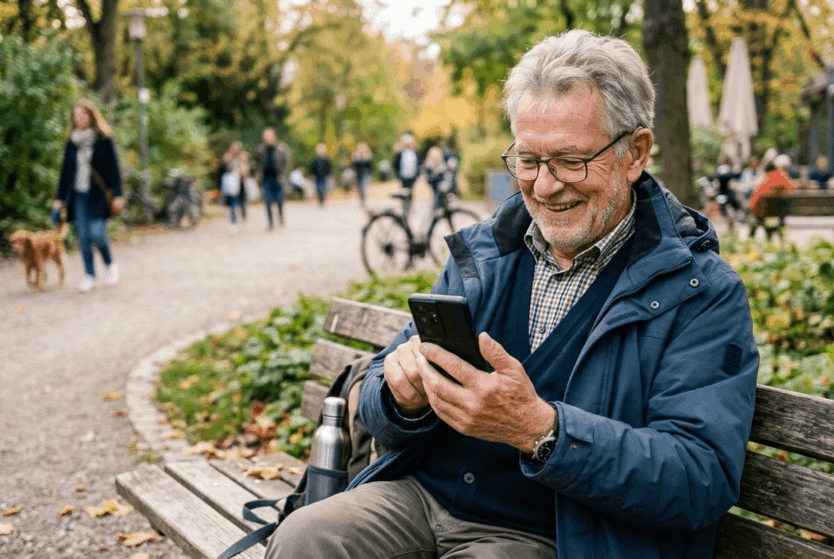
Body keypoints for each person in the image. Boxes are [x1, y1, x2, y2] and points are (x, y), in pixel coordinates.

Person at [265, 29, 759, 559]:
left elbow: (699, 478)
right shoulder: (484, 252)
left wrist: (543, 431)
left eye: (571, 161)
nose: (545, 186)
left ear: (635, 153)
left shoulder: (702, 294)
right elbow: (379, 397)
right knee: (306, 537)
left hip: (555, 535)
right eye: (528, 160)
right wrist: (399, 396)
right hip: (421, 500)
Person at [52, 99, 124, 293]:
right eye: (75, 115)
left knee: (97, 234)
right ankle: (89, 276)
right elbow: (65, 173)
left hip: (98, 195)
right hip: (78, 197)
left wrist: (118, 194)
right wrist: (59, 200)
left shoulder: (104, 139)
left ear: (91, 116)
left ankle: (110, 265)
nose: (79, 118)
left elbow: (114, 169)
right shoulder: (71, 142)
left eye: (82, 114)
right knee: (83, 237)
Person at [253, 128, 291, 229]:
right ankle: (270, 222)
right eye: (266, 136)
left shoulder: (281, 148)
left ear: (274, 136)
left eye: (269, 136)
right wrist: (257, 174)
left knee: (279, 200)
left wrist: (283, 174)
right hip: (266, 179)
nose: (267, 138)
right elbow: (256, 163)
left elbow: (287, 162)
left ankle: (280, 215)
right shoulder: (260, 149)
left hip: (278, 178)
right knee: (267, 201)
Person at [221, 142, 248, 232]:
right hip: (231, 184)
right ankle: (234, 222)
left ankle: (244, 218)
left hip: (241, 183)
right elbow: (223, 167)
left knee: (242, 203)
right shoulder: (228, 157)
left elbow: (246, 170)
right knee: (232, 203)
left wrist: (242, 168)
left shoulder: (242, 157)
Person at [394, 133, 420, 202]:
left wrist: (417, 175)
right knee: (403, 193)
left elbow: (418, 164)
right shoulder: (399, 153)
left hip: (412, 176)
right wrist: (398, 175)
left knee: (411, 192)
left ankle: (409, 206)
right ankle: (405, 207)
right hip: (403, 176)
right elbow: (395, 165)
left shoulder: (415, 152)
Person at [423, 146, 451, 211]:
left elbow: (448, 176)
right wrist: (435, 174)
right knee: (435, 207)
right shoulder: (429, 167)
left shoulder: (443, 166)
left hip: (443, 190)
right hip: (435, 190)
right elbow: (429, 180)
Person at [351, 143, 373, 208]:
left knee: (364, 188)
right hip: (358, 175)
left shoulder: (368, 157)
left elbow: (370, 166)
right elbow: (354, 166)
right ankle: (361, 200)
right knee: (359, 189)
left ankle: (364, 201)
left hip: (365, 174)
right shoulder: (355, 157)